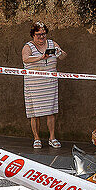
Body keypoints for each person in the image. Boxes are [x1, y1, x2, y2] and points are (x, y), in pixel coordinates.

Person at [22, 21, 66, 149]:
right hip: (34, 84)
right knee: (34, 113)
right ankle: (36, 138)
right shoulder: (28, 46)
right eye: (38, 34)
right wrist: (41, 57)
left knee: (50, 112)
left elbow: (64, 56)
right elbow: (25, 59)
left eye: (43, 34)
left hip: (49, 83)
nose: (41, 37)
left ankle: (52, 137)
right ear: (33, 35)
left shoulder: (52, 43)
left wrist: (59, 53)